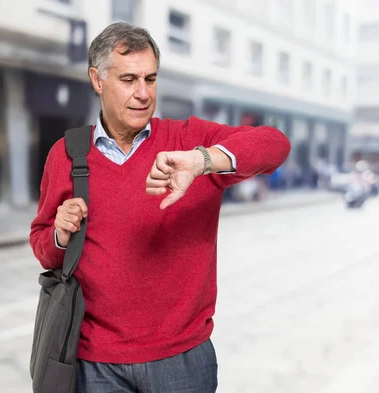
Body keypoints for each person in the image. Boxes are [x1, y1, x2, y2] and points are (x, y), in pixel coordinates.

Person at [29, 22, 291, 393]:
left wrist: (202, 161)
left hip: (182, 361)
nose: (142, 93)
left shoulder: (188, 140)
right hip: (96, 362)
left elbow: (275, 144)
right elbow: (42, 247)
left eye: (150, 79)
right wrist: (58, 233)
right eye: (129, 79)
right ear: (97, 80)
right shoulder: (67, 153)